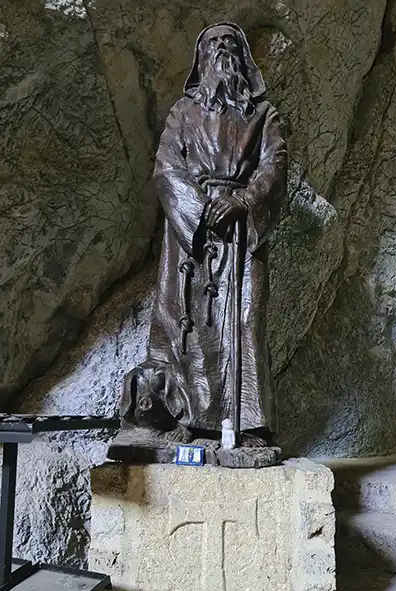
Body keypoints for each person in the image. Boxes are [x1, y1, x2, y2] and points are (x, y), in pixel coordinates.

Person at [122, 22, 287, 449]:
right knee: (190, 326)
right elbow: (166, 167)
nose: (222, 49)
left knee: (246, 321)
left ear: (243, 56)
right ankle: (191, 420)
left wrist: (244, 201)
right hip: (191, 236)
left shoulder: (263, 114)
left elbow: (275, 164)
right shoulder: (183, 112)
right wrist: (199, 211)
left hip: (241, 230)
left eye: (231, 42)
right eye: (213, 43)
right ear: (200, 58)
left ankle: (250, 424)